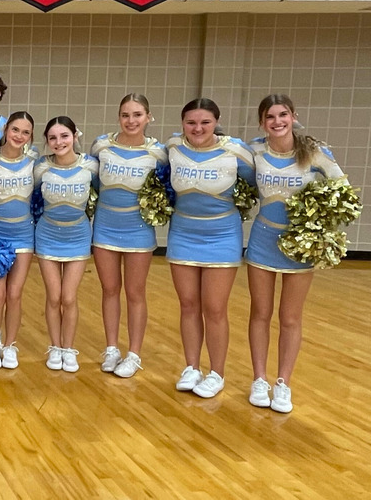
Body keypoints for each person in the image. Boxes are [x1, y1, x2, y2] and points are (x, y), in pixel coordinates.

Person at [245, 94, 346, 413]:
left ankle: (283, 383)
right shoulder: (254, 151)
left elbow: (342, 191)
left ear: (293, 117)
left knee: (290, 317)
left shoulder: (315, 153)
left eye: (283, 115)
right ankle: (259, 379)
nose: (277, 122)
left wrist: (316, 224)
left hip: (300, 246)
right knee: (260, 313)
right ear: (262, 122)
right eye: (270, 117)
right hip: (262, 239)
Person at [166, 98, 255, 399]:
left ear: (216, 122)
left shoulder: (236, 151)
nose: (197, 128)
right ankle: (192, 367)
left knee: (215, 308)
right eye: (191, 122)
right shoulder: (173, 147)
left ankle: (217, 373)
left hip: (222, 236)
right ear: (182, 123)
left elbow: (258, 182)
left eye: (205, 122)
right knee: (188, 304)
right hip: (183, 234)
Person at [89, 94, 168, 378]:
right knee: (109, 289)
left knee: (135, 293)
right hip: (106, 227)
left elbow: (165, 189)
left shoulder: (159, 153)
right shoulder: (101, 145)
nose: (131, 121)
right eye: (125, 115)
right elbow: (93, 182)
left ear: (148, 117)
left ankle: (134, 354)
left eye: (137, 115)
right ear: (118, 117)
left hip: (138, 230)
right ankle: (111, 348)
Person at [34, 116, 99, 373]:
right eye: (52, 138)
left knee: (69, 297)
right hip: (47, 235)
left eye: (64, 136)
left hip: (78, 237)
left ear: (75, 136)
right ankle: (55, 347)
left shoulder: (91, 166)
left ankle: (69, 349)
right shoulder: (41, 167)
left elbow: (100, 193)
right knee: (54, 296)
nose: (58, 142)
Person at [0, 112, 38, 369]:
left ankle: (10, 345)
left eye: (25, 132)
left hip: (24, 236)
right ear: (6, 129)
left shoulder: (34, 160)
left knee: (15, 294)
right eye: (15, 129)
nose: (19, 136)